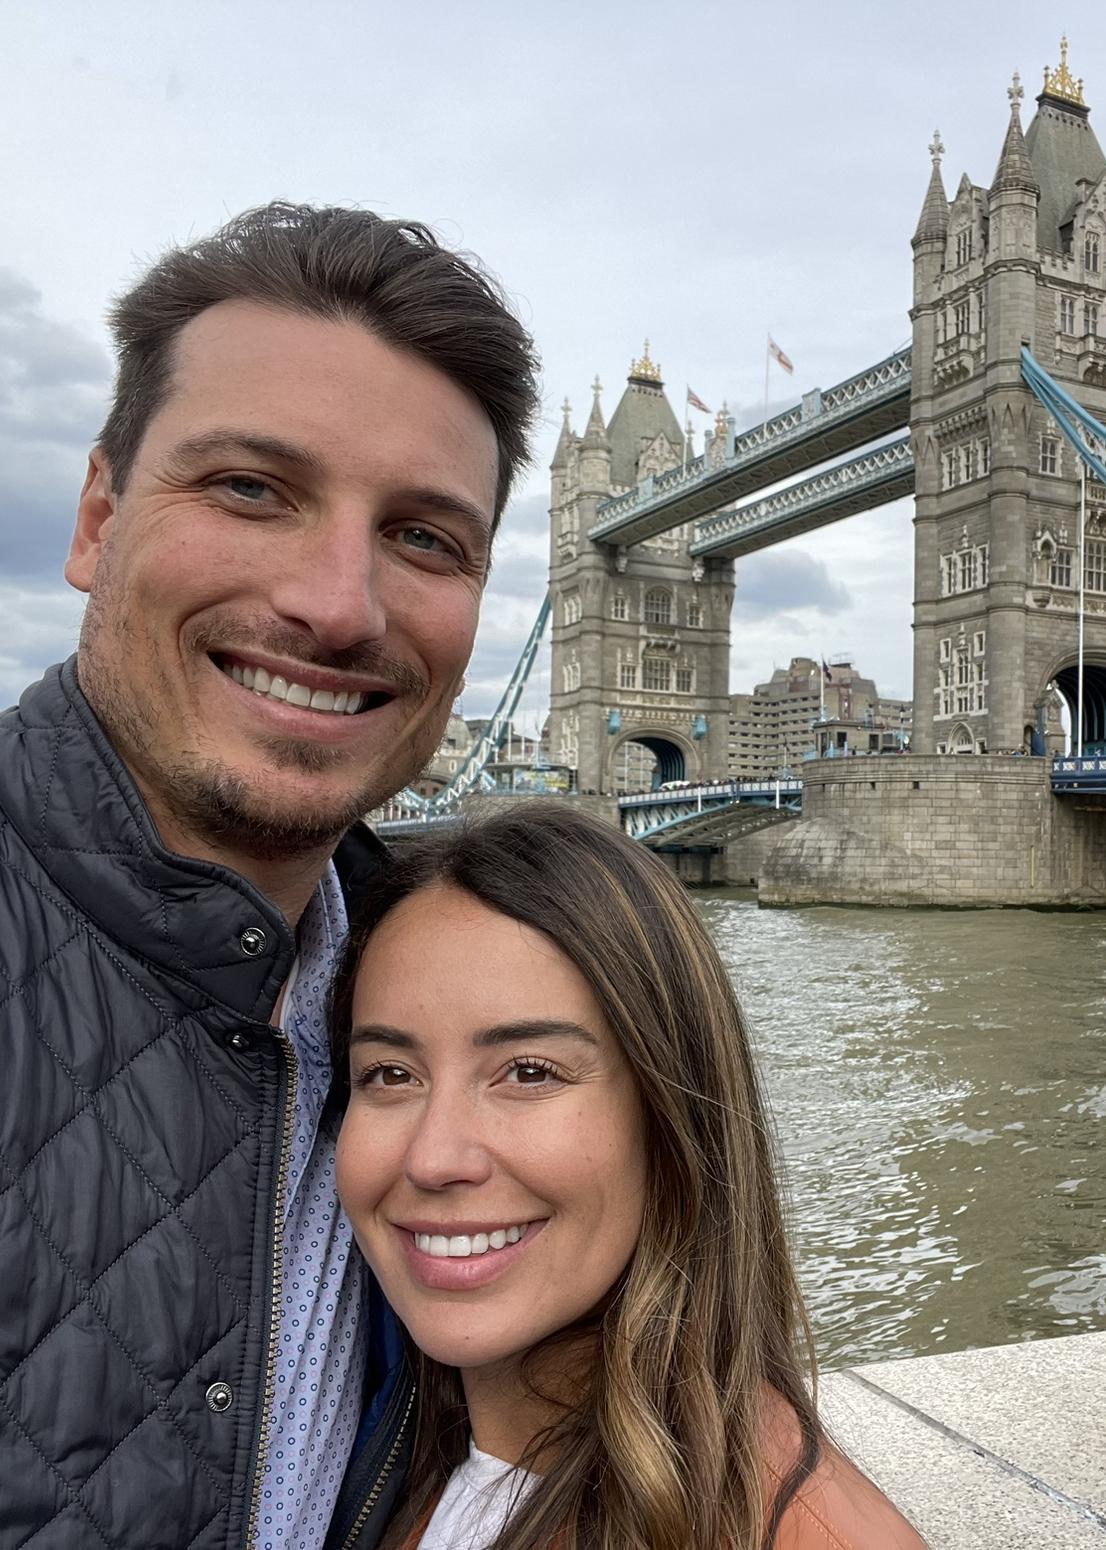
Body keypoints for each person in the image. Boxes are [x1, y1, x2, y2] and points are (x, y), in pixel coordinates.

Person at [0, 202, 539, 1549]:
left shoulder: (448, 979)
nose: (338, 603)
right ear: (96, 518)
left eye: (426, 536)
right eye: (249, 488)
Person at [329, 803, 928, 1550]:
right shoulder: (386, 1455)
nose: (434, 1158)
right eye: (388, 1073)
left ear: (672, 1120)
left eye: (529, 1071)